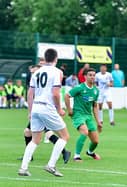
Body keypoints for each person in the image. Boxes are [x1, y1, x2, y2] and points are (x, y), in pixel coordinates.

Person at [18, 48, 70, 177]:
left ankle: (23, 168)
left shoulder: (37, 72)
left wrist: (30, 111)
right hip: (47, 107)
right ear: (56, 58)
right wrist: (59, 108)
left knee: (35, 140)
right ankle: (51, 165)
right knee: (65, 136)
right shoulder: (57, 72)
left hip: (36, 107)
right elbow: (55, 93)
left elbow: (30, 93)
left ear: (45, 58)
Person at [65, 68, 102, 162]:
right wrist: (69, 110)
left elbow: (94, 106)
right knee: (85, 132)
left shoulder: (96, 91)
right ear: (85, 76)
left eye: (94, 75)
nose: (92, 77)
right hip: (78, 114)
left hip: (88, 116)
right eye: (90, 75)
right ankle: (76, 156)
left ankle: (90, 152)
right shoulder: (79, 88)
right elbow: (67, 96)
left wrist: (98, 122)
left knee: (95, 141)